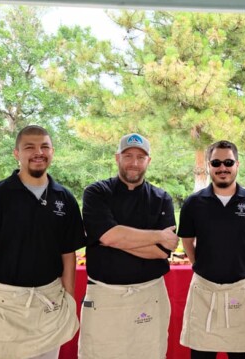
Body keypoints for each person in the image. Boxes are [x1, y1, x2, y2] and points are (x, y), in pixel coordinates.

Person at [0, 125, 86, 359]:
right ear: (16, 153)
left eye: (44, 147)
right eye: (29, 147)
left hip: (49, 305)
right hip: (4, 306)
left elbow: (68, 257)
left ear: (52, 151)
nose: (38, 152)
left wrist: (69, 303)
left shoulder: (65, 198)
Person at [78, 133, 178, 359]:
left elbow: (162, 252)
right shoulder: (96, 192)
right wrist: (155, 236)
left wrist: (114, 239)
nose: (134, 163)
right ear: (117, 158)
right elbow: (110, 236)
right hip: (105, 296)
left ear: (148, 161)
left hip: (149, 296)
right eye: (128, 156)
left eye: (140, 157)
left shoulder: (162, 198)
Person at [178, 140, 245, 359]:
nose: (223, 168)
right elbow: (186, 241)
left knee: (244, 354)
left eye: (228, 162)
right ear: (209, 166)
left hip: (241, 291)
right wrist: (199, 264)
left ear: (237, 164)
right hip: (204, 291)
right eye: (216, 163)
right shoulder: (193, 203)